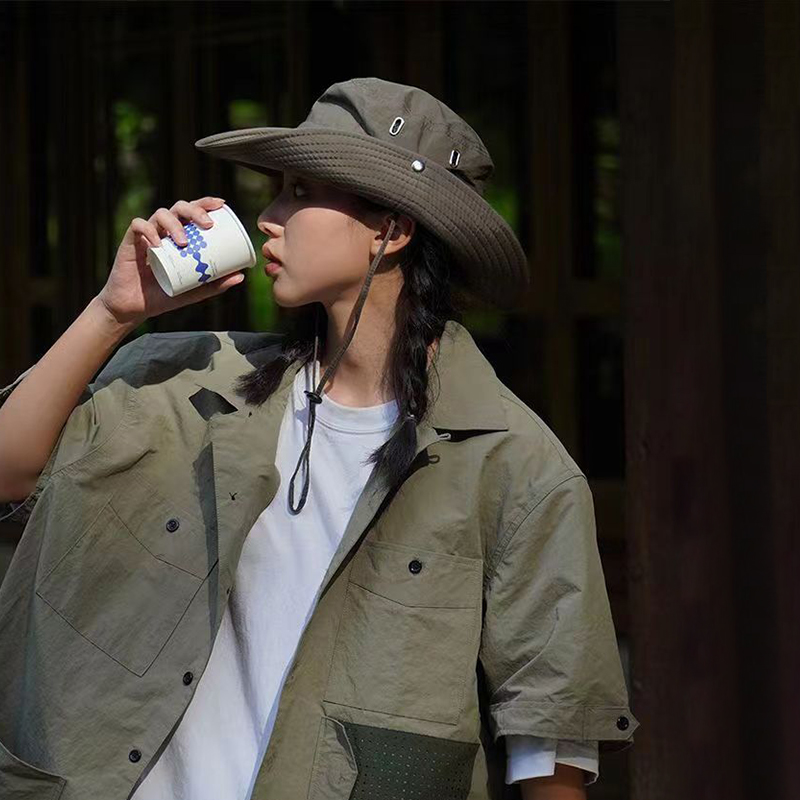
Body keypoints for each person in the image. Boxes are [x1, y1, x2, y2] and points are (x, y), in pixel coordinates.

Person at [0, 78, 638, 800]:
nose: (268, 218)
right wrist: (114, 313)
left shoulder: (516, 465)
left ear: (391, 230)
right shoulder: (186, 382)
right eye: (278, 191)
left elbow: (549, 742)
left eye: (301, 193)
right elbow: (9, 472)